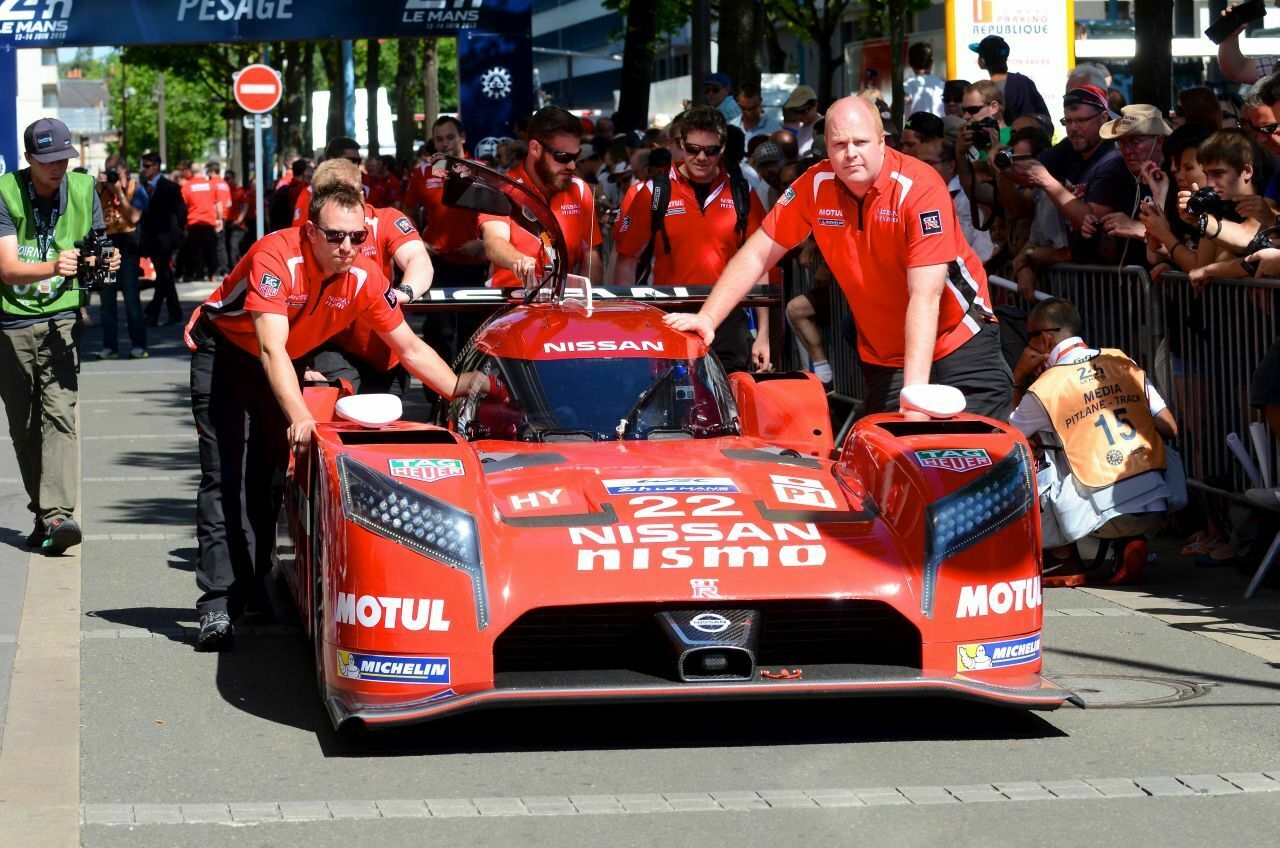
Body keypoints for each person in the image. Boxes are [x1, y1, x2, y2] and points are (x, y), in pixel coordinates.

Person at [185, 180, 464, 651]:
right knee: (224, 475)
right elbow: (269, 348)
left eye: (358, 237)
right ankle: (216, 603)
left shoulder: (367, 276)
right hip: (227, 356)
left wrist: (460, 390)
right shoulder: (276, 255)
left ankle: (254, 584)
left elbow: (411, 348)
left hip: (282, 359)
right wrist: (300, 415)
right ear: (311, 230)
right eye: (336, 236)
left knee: (269, 477)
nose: (348, 247)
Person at [666, 96, 1012, 419]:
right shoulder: (815, 184)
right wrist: (709, 318)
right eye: (839, 145)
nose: (850, 154)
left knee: (972, 466)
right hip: (884, 355)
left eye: (860, 142)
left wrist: (915, 395)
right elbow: (758, 251)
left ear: (881, 141)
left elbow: (926, 295)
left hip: (960, 340)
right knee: (890, 470)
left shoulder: (920, 187)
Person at [0, 118, 120, 553]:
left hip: (62, 319)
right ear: (29, 159)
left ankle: (58, 515)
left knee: (59, 415)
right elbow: (7, 269)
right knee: (24, 427)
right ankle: (44, 513)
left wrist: (105, 260)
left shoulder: (85, 191)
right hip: (11, 320)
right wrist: (54, 266)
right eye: (47, 160)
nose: (57, 168)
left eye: (63, 159)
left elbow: (96, 246)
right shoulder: (6, 192)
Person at [1010, 298, 1180, 586]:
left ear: (1046, 338)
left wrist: (1018, 378)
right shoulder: (1122, 361)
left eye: (1029, 339)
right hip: (1158, 506)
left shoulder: (1047, 387)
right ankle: (1129, 542)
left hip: (1101, 515)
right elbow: (1169, 427)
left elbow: (1008, 435)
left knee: (1029, 455)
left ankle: (1063, 558)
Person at [613, 105, 770, 374]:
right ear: (679, 144)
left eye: (710, 150)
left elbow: (762, 263)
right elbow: (626, 261)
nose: (701, 157)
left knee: (731, 401)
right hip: (666, 312)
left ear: (723, 148)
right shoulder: (654, 193)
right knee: (674, 402)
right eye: (693, 149)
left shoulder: (742, 192)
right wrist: (629, 325)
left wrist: (764, 334)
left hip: (727, 314)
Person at [303, 158, 434, 393]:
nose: (340, 204)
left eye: (347, 195)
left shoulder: (386, 219)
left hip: (386, 347)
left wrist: (403, 293)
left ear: (362, 194)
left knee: (386, 422)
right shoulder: (311, 229)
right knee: (347, 413)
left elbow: (419, 261)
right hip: (333, 345)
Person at [478, 106, 603, 288]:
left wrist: (589, 308)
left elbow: (590, 254)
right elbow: (494, 242)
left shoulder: (579, 190)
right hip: (512, 302)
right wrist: (518, 260)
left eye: (576, 156)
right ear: (535, 148)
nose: (572, 165)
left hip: (563, 304)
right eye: (562, 156)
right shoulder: (501, 188)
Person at [1009, 85, 1130, 264]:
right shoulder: (1069, 147)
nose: (1073, 128)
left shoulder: (1112, 159)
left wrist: (1046, 181)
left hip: (1101, 277)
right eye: (1068, 121)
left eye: (1081, 120)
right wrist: (1001, 161)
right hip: (1073, 274)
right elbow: (1023, 175)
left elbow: (1091, 223)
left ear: (1103, 118)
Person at [403, 116, 486, 286]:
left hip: (475, 261)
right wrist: (416, 241)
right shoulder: (424, 173)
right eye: (439, 139)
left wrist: (483, 243)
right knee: (438, 313)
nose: (445, 144)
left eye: (450, 137)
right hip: (436, 261)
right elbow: (408, 213)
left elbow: (503, 216)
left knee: (473, 313)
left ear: (462, 137)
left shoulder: (482, 170)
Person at [95, 154, 148, 359]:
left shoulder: (136, 187)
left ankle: (139, 345)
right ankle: (110, 346)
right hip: (106, 245)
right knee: (106, 299)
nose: (111, 175)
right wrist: (100, 189)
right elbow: (92, 214)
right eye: (108, 171)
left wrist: (119, 193)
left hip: (127, 245)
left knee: (131, 298)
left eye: (115, 171)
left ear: (124, 170)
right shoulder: (101, 191)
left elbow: (134, 216)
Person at [916, 137, 994, 263]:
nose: (920, 170)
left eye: (928, 163)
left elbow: (981, 253)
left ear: (951, 165)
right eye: (918, 164)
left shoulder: (967, 199)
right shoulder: (921, 195)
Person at [139, 151, 186, 326]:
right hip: (151, 239)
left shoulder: (170, 187)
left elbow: (181, 210)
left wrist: (180, 231)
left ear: (156, 167)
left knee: (163, 274)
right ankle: (175, 311)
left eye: (147, 166)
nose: (144, 170)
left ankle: (154, 310)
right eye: (143, 166)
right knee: (164, 275)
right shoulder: (143, 187)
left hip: (167, 238)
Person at [969, 35, 1049, 121]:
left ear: (982, 61)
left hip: (1007, 134)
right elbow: (1045, 117)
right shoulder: (1023, 81)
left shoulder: (987, 91)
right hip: (1032, 133)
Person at [180, 162, 220, 281]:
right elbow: (218, 203)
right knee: (211, 249)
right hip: (209, 222)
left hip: (194, 223)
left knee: (196, 251)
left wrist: (184, 225)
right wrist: (220, 219)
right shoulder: (211, 185)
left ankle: (199, 274)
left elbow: (183, 207)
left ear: (191, 172)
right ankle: (213, 273)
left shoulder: (187, 186)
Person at [905, 42, 946, 118]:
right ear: (932, 62)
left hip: (915, 128)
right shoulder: (942, 85)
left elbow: (896, 110)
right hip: (940, 127)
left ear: (909, 63)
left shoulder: (907, 85)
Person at [781, 85, 821, 155]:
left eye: (803, 111)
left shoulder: (823, 125)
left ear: (815, 105)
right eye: (795, 111)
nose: (799, 116)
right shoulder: (801, 126)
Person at [207, 161, 231, 275]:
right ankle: (224, 268)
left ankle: (218, 269)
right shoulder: (224, 184)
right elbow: (229, 203)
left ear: (211, 172)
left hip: (217, 217)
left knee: (215, 245)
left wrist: (218, 218)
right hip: (225, 216)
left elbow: (216, 203)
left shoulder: (211, 184)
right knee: (222, 244)